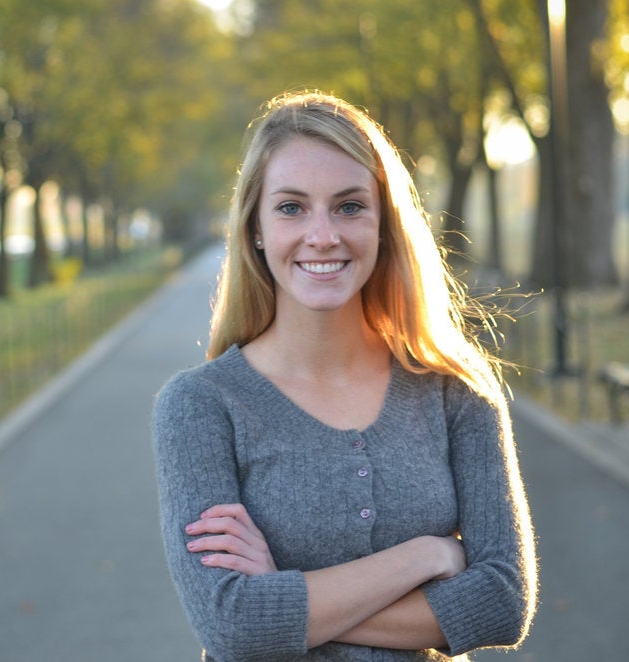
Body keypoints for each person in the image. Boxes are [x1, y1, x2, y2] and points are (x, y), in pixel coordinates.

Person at [151, 91, 537, 661]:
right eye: (291, 207)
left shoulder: (457, 392)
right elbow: (231, 625)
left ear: (384, 225)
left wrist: (284, 594)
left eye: (350, 206)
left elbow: (503, 602)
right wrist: (425, 557)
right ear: (255, 227)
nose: (323, 235)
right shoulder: (201, 406)